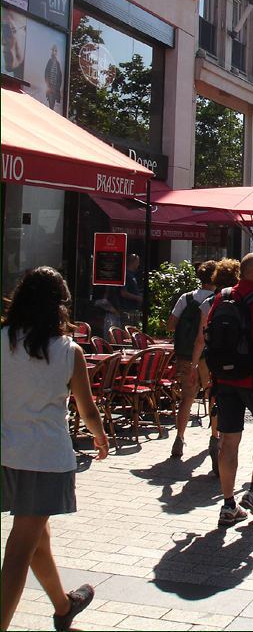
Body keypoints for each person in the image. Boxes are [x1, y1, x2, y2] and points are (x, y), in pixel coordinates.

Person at [1, 267, 109, 632]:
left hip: (4, 453)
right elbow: (87, 409)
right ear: (59, 306)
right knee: (19, 550)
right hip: (44, 458)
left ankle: (64, 607)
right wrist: (101, 437)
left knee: (36, 538)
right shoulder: (68, 351)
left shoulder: (2, 339)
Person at [192, 253, 253, 528]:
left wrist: (206, 376)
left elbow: (209, 338)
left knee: (228, 441)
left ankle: (228, 504)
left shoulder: (221, 298)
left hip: (226, 381)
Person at [187, 259, 241, 474]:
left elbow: (201, 338)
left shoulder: (209, 302)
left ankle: (214, 436)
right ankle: (225, 441)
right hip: (236, 360)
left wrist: (193, 365)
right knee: (232, 397)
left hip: (210, 358)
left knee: (212, 394)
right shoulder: (241, 301)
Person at [167, 260, 217, 461]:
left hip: (185, 354)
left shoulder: (185, 298)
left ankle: (179, 438)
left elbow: (171, 325)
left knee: (187, 397)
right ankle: (215, 438)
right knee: (212, 395)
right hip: (208, 354)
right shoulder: (216, 300)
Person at [44, 44, 63, 111]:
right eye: (53, 51)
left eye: (55, 51)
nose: (54, 52)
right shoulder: (50, 61)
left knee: (52, 104)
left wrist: (57, 88)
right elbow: (46, 73)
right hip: (50, 86)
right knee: (51, 103)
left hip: (55, 88)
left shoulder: (57, 63)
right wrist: (48, 85)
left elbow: (60, 77)